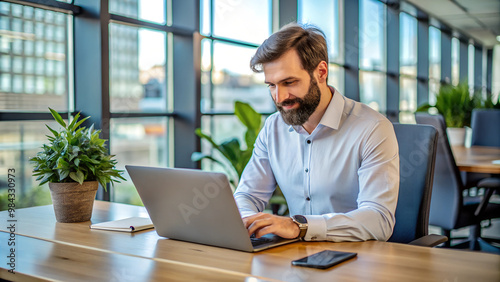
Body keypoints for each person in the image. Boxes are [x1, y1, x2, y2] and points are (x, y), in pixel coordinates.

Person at [233, 23, 400, 242]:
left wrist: (300, 227)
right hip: (291, 258)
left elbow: (378, 219)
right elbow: (247, 195)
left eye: (289, 82)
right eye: (271, 85)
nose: (280, 97)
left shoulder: (373, 129)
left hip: (357, 261)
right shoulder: (273, 128)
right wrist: (248, 221)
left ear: (321, 72)